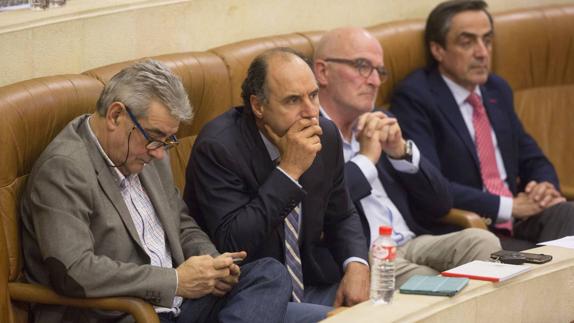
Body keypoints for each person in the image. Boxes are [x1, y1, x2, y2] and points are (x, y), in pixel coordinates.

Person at [20, 60, 292, 323]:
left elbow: (182, 224)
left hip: (178, 305)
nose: (161, 153)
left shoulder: (145, 151)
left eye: (168, 140)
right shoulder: (65, 168)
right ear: (116, 115)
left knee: (269, 274)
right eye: (154, 138)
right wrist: (174, 282)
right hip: (124, 314)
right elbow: (75, 271)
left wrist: (213, 265)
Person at [183, 48, 370, 321]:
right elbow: (232, 241)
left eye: (314, 95)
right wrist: (289, 171)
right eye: (293, 100)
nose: (310, 112)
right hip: (250, 297)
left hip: (313, 281)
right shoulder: (219, 147)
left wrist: (356, 265)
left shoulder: (325, 135)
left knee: (396, 310)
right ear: (258, 106)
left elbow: (341, 214)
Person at [313, 26, 501, 287]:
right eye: (362, 66)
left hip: (413, 241)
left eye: (379, 71)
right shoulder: (309, 134)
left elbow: (441, 203)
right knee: (432, 283)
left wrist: (401, 152)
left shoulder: (381, 122)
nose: (375, 81)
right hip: (364, 255)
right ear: (323, 72)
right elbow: (318, 208)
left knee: (484, 242)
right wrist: (366, 160)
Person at [390, 0, 574, 250]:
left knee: (569, 215)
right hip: (470, 227)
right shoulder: (416, 97)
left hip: (521, 218)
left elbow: (533, 158)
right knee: (539, 265)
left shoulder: (496, 89)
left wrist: (544, 186)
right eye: (468, 42)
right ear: (438, 50)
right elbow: (433, 185)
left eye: (487, 40)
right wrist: (508, 206)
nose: (482, 52)